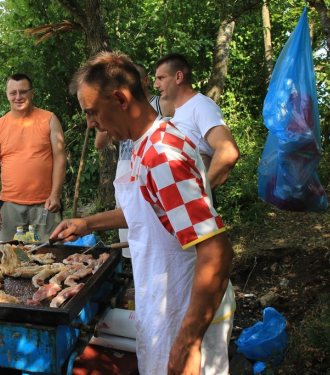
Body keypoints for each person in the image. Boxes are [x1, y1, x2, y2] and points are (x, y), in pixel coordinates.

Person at [51, 51, 235, 375]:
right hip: (166, 299)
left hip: (186, 307)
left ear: (120, 99)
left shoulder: (162, 155)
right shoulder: (142, 144)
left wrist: (188, 342)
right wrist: (87, 223)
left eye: (92, 112)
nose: (91, 123)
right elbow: (145, 213)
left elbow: (216, 251)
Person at [95, 63, 174, 258]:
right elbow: (100, 143)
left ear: (144, 82)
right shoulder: (119, 115)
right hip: (126, 171)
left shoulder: (161, 106)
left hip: (152, 172)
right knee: (131, 229)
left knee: (154, 229)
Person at [0, 73, 66, 242]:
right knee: (9, 258)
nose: (18, 97)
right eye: (13, 93)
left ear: (32, 93)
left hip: (46, 204)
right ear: (7, 95)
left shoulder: (49, 119)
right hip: (10, 205)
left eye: (23, 91)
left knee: (51, 256)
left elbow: (60, 158)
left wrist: (55, 194)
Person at [154, 53, 239, 191]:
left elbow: (228, 151)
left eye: (161, 78)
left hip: (193, 204)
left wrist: (201, 193)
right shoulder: (176, 111)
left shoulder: (201, 106)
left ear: (178, 77)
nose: (156, 85)